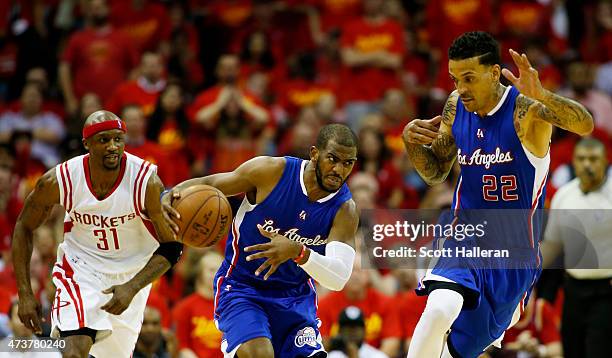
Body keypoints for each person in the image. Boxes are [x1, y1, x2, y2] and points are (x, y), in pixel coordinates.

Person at [402, 31, 593, 358]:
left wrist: (544, 95)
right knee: (438, 309)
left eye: (469, 78)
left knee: (454, 353)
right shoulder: (455, 106)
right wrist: (411, 143)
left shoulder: (526, 112)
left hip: (514, 258)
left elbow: (585, 125)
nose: (461, 88)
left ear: (493, 72)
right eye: (454, 78)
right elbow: (435, 173)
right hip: (467, 236)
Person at [162, 124, 359, 357]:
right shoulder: (271, 171)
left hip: (294, 297)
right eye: (332, 159)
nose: (339, 170)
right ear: (315, 154)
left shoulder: (344, 209)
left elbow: (338, 279)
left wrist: (299, 252)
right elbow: (211, 184)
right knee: (260, 354)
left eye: (348, 163)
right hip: (243, 288)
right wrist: (169, 195)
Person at [11, 110, 183, 358]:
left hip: (131, 274)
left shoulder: (145, 181)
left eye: (118, 139)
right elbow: (24, 226)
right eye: (104, 140)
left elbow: (172, 247)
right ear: (87, 144)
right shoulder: (59, 181)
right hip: (82, 270)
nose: (113, 146)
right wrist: (25, 293)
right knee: (73, 351)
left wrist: (132, 287)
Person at [541, 138, 612, 357]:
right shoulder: (565, 195)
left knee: (597, 350)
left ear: (605, 161)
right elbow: (553, 244)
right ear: (573, 162)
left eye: (594, 159)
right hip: (572, 289)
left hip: (606, 291)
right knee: (572, 350)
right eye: (582, 159)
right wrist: (524, 268)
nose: (587, 165)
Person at [172, 251, 224, 358]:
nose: (217, 273)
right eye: (211, 270)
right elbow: (181, 346)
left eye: (221, 269)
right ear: (200, 273)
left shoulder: (232, 306)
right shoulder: (184, 307)